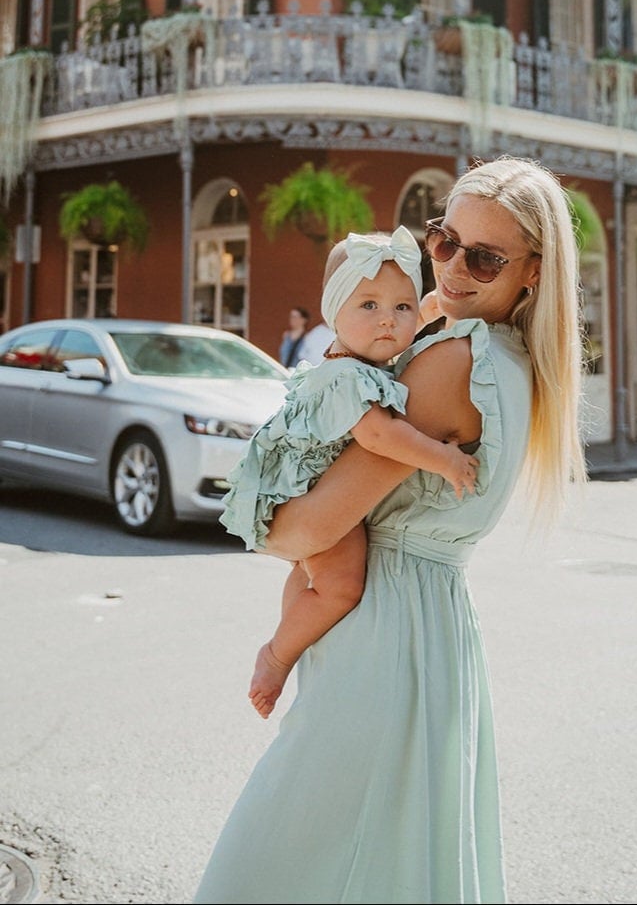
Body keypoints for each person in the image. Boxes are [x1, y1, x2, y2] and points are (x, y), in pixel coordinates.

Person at [193, 155, 588, 905]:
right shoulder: (512, 362)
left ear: (533, 272)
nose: (454, 266)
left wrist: (267, 524)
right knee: (392, 860)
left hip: (383, 630)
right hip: (434, 630)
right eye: (445, 240)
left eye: (485, 257)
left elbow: (311, 526)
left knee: (278, 861)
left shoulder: (450, 364)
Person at [220, 225, 478, 719]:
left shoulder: (359, 356)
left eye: (400, 308)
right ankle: (276, 655)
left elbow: (420, 312)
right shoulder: (346, 376)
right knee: (341, 586)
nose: (389, 321)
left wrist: (435, 308)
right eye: (368, 306)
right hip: (305, 492)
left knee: (311, 573)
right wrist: (443, 457)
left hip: (305, 488)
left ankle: (293, 641)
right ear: (333, 312)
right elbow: (381, 438)